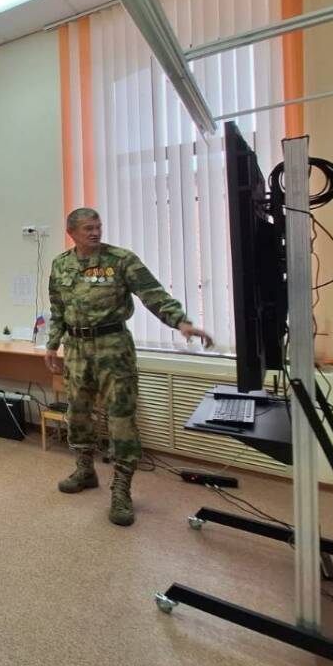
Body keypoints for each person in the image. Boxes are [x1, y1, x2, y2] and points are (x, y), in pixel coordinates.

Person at [46, 208, 213, 527]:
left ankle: (121, 489)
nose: (95, 232)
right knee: (78, 413)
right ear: (72, 233)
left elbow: (153, 294)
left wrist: (181, 322)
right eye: (87, 228)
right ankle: (85, 470)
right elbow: (57, 309)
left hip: (114, 348)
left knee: (121, 419)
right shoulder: (60, 264)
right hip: (77, 349)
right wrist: (53, 344)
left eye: (98, 226)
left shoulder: (121, 260)